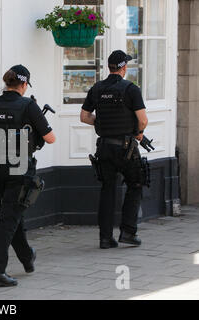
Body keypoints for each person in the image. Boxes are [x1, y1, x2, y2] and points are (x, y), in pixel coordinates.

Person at [0, 65, 56, 288]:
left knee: (11, 213)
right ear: (24, 84)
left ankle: (27, 257)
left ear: (7, 82)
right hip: (19, 168)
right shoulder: (28, 106)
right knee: (8, 219)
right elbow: (51, 138)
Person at [80, 50, 149, 249]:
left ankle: (105, 238)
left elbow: (84, 117)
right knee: (135, 184)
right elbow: (143, 119)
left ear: (110, 67)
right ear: (124, 68)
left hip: (104, 147)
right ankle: (128, 232)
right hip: (126, 148)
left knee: (107, 189)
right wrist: (139, 132)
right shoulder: (131, 89)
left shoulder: (97, 89)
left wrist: (102, 124)